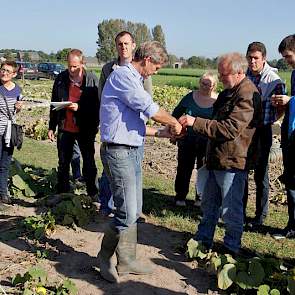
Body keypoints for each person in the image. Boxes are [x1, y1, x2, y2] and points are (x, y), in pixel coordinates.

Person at [98, 41, 182, 283]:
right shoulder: (123, 76)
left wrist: (160, 133)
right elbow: (149, 107)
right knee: (125, 213)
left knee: (134, 211)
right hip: (119, 152)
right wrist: (174, 122)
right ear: (146, 60)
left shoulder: (134, 80)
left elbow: (131, 123)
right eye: (156, 67)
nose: (156, 71)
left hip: (132, 150)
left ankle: (126, 260)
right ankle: (104, 257)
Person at [179, 52, 261, 255]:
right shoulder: (228, 92)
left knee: (230, 210)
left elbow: (230, 129)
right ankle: (203, 240)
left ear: (239, 72)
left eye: (224, 75)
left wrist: (194, 122)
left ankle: (231, 250)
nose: (221, 78)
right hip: (217, 158)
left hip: (233, 161)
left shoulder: (247, 94)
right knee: (209, 205)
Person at [98, 31, 153, 216]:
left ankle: (128, 213)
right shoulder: (109, 69)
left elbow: (147, 101)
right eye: (120, 44)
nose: (123, 47)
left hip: (134, 131)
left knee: (132, 177)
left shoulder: (143, 71)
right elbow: (103, 97)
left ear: (133, 45)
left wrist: (144, 125)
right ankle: (107, 207)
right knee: (111, 174)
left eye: (126, 43)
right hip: (116, 133)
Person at [48, 49, 99, 200]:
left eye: (75, 66)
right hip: (65, 126)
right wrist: (52, 126)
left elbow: (98, 106)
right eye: (69, 66)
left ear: (82, 64)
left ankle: (93, 193)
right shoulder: (61, 79)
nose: (71, 70)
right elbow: (53, 103)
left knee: (88, 161)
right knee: (63, 161)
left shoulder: (91, 79)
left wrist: (80, 108)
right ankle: (63, 191)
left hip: (85, 128)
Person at [244, 42, 286, 227]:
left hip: (262, 131)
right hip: (244, 129)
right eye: (250, 58)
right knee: (241, 171)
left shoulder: (274, 80)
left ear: (264, 59)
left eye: (256, 58)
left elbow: (281, 108)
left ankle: (260, 216)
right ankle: (239, 210)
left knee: (261, 174)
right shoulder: (245, 75)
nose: (252, 61)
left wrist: (268, 120)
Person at [172, 72, 218, 207]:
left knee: (203, 170)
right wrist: (175, 132)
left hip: (207, 141)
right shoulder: (189, 98)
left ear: (214, 86)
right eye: (203, 83)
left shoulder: (218, 101)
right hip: (187, 139)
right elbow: (175, 114)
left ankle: (200, 198)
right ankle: (180, 196)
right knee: (184, 168)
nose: (205, 86)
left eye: (208, 84)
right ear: (199, 83)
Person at [271, 34, 295, 238]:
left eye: (288, 56)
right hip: (291, 131)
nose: (287, 61)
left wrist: (291, 100)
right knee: (291, 178)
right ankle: (292, 224)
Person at [0, 61, 23, 205]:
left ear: (14, 74)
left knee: (5, 164)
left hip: (9, 133)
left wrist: (19, 108)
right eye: (2, 70)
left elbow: (16, 111)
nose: (4, 73)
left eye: (8, 71)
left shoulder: (17, 90)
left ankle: (3, 194)